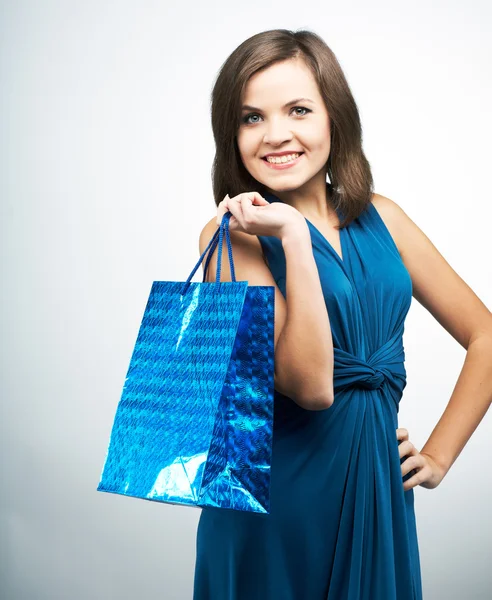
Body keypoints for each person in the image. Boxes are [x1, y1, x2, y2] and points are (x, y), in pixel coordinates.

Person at [192, 28, 492, 600]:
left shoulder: (386, 218)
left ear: (335, 117)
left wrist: (439, 456)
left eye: (298, 110)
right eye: (251, 117)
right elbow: (310, 386)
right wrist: (295, 241)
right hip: (275, 502)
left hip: (375, 484)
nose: (276, 134)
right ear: (230, 134)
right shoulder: (230, 237)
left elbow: (487, 335)